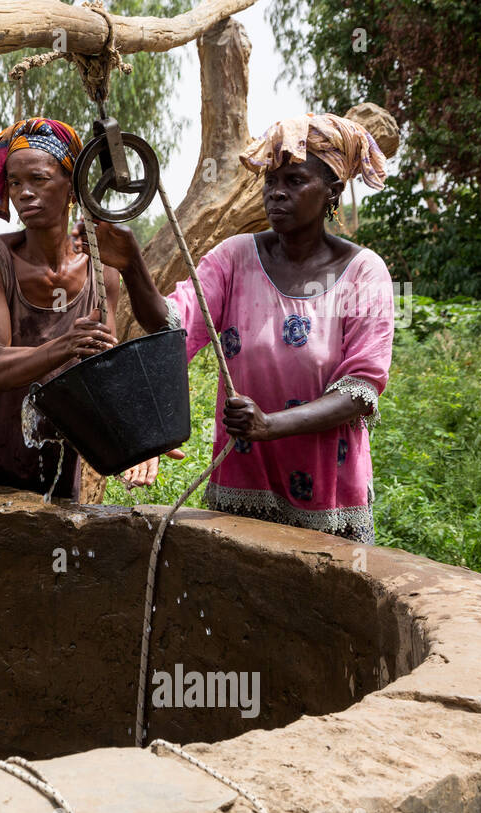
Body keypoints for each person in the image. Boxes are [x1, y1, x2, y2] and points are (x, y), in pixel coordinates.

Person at [75, 112, 394, 542]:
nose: (277, 193)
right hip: (243, 485)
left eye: (295, 181)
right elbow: (174, 325)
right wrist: (132, 265)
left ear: (332, 191)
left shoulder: (362, 272)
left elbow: (360, 391)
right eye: (270, 181)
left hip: (327, 498)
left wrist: (270, 426)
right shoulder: (235, 257)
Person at [0, 116, 166, 502]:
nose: (24, 193)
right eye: (16, 182)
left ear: (72, 187)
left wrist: (141, 434)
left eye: (38, 179)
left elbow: (102, 370)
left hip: (52, 463)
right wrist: (66, 345)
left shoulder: (100, 271)